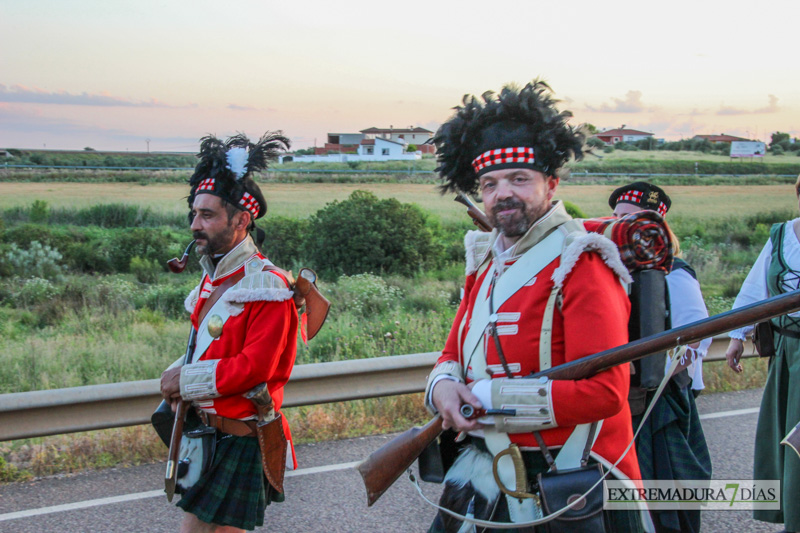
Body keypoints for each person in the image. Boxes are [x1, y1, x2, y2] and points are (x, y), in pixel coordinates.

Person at [425, 80, 645, 532]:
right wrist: (444, 390)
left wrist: (489, 399)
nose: (503, 194)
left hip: (566, 478)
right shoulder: (487, 263)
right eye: (489, 184)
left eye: (519, 179)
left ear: (551, 183)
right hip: (486, 473)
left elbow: (606, 393)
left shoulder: (581, 261)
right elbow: (452, 356)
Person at [160, 132, 298, 532]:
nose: (195, 225)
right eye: (194, 213)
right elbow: (205, 348)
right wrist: (175, 380)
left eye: (208, 215)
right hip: (207, 434)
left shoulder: (268, 286)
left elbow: (254, 368)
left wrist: (184, 381)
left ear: (241, 220)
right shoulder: (213, 277)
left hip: (243, 437)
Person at [609, 182, 712, 533]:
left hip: (660, 400)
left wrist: (658, 376)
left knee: (666, 488)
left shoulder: (676, 272)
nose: (623, 225)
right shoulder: (608, 269)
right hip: (620, 395)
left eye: (633, 218)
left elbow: (695, 337)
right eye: (618, 217)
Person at [725, 176, 800, 533]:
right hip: (788, 353)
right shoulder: (782, 236)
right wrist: (737, 336)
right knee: (789, 440)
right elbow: (754, 290)